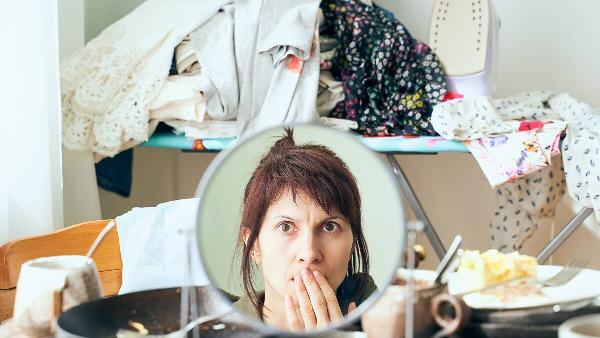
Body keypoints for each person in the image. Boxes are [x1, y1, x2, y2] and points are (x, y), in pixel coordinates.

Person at [232, 128, 376, 331]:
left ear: (352, 241)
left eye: (329, 226)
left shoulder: (383, 317)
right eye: (285, 227)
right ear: (254, 245)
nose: (309, 254)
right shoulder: (212, 327)